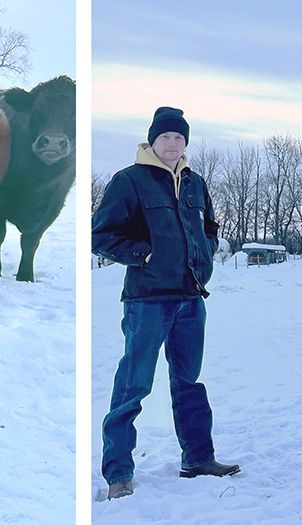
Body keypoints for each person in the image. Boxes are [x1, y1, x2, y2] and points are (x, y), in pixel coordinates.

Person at [92, 107, 240, 500]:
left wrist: (206, 252)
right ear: (152, 141)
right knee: (133, 385)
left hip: (191, 298)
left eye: (179, 138)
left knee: (189, 382)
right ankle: (119, 473)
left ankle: (198, 458)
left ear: (185, 142)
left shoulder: (195, 183)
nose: (172, 144)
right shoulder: (130, 181)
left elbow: (209, 226)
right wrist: (143, 255)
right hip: (148, 301)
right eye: (165, 137)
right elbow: (101, 234)